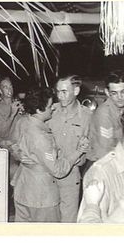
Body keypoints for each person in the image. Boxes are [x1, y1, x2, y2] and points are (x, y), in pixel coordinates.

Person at [11, 87, 88, 222]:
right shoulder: (41, 137)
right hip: (41, 196)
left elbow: (11, 143)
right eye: (50, 105)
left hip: (23, 189)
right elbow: (58, 170)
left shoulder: (23, 121)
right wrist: (79, 151)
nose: (53, 108)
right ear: (40, 110)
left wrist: (18, 153)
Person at [47, 74, 92, 222]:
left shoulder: (87, 116)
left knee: (68, 222)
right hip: (47, 174)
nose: (60, 96)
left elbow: (90, 150)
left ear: (76, 91)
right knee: (49, 221)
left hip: (71, 176)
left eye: (64, 91)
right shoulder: (50, 111)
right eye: (58, 91)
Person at [87, 70, 124, 162]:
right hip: (102, 165)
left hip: (120, 161)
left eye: (123, 92)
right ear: (107, 92)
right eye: (114, 93)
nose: (120, 97)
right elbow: (104, 153)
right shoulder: (104, 114)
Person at [0, 75, 24, 180]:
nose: (9, 89)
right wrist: (12, 114)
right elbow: (1, 133)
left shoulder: (20, 104)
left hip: (24, 144)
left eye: (10, 86)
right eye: (5, 87)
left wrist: (26, 114)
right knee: (14, 169)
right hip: (8, 148)